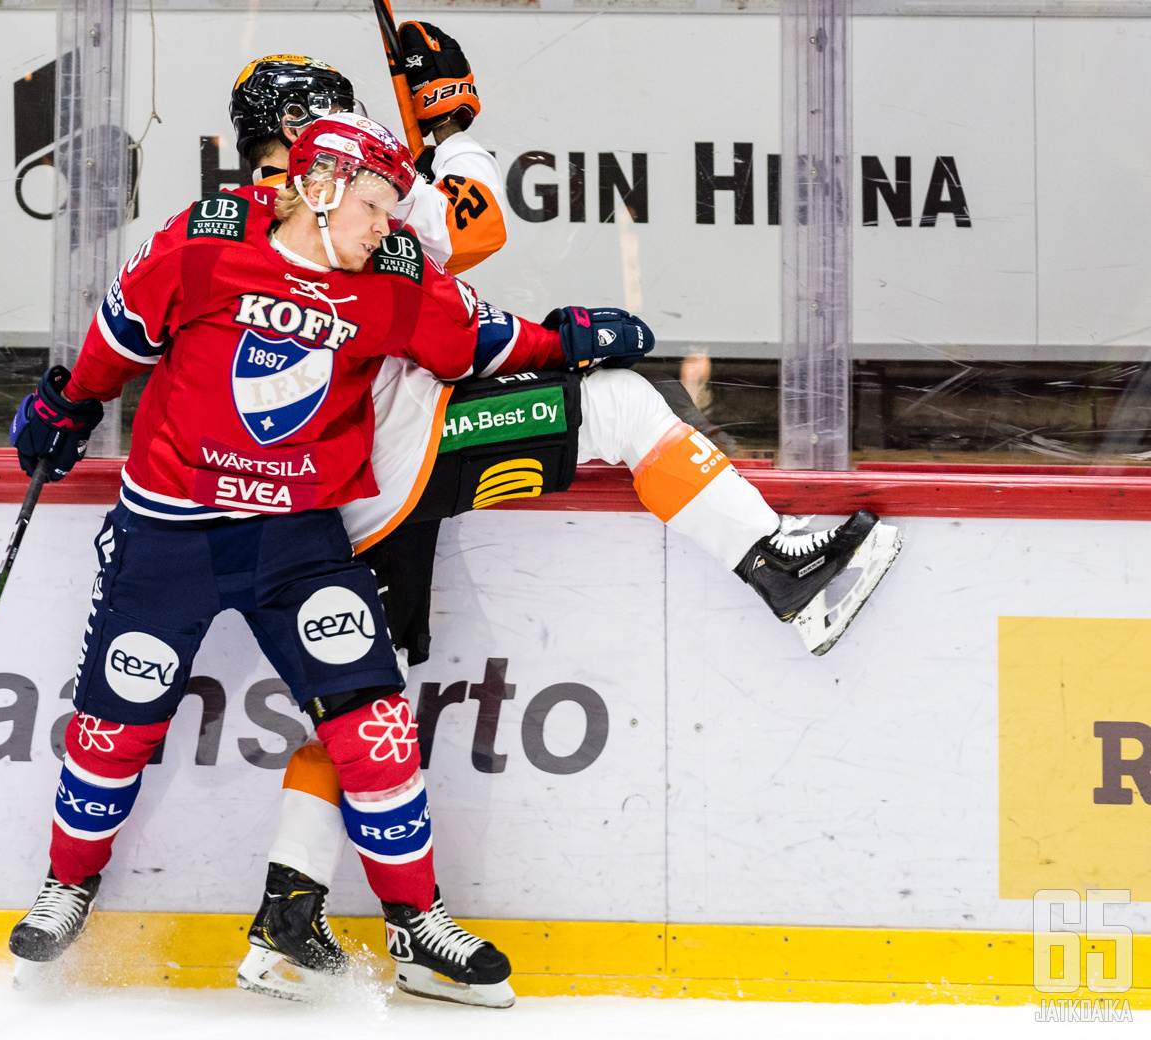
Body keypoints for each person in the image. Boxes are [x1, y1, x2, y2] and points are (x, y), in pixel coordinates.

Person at [222, 38, 904, 1004]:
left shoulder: (225, 221)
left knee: (362, 707)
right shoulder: (338, 206)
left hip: (318, 488)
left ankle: (286, 922)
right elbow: (473, 227)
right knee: (619, 402)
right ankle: (780, 568)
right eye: (344, 121)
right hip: (392, 462)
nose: (364, 141)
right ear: (303, 134)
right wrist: (449, 124)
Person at [3, 113, 659, 1010]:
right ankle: (67, 884)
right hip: (169, 532)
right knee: (115, 726)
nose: (391, 222)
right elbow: (121, 337)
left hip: (298, 541)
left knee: (376, 724)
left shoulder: (393, 280)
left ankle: (417, 923)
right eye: (379, 202)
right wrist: (68, 404)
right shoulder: (203, 245)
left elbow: (480, 341)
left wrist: (570, 339)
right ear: (318, 189)